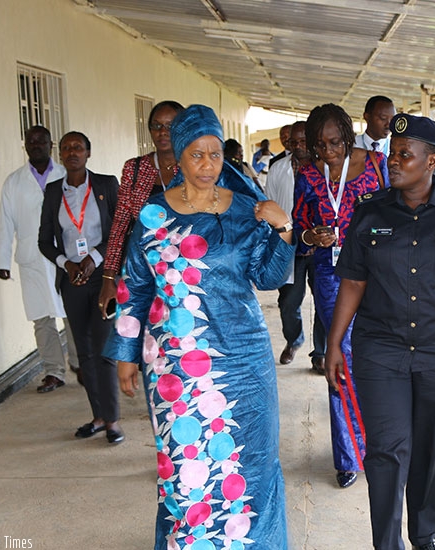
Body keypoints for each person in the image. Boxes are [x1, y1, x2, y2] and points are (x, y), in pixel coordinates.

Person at [105, 104, 293, 550]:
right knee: (187, 467)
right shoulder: (153, 215)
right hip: (178, 366)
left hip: (245, 361)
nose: (208, 165)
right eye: (197, 154)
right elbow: (135, 286)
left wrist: (283, 229)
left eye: (215, 154)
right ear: (179, 156)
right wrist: (125, 355)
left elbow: (267, 277)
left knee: (252, 464)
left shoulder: (246, 209)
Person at [325, 113, 435, 550]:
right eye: (393, 153)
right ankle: (387, 543)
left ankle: (424, 536)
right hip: (380, 348)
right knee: (386, 450)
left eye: (405, 155)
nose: (393, 161)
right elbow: (353, 281)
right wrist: (334, 343)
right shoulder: (370, 212)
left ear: (431, 161)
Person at [293, 103, 388, 488]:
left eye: (334, 143)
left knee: (379, 354)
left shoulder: (377, 165)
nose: (328, 152)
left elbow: (395, 214)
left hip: (378, 273)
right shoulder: (307, 175)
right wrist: (311, 235)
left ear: (348, 137)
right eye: (320, 145)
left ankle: (382, 444)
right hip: (331, 277)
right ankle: (349, 455)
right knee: (341, 354)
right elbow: (298, 228)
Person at [37, 131, 123, 443]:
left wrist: (94, 259)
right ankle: (98, 417)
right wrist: (67, 264)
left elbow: (120, 231)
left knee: (103, 349)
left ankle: (113, 421)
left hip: (104, 278)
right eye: (66, 148)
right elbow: (44, 241)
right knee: (84, 352)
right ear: (60, 154)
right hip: (72, 280)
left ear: (88, 153)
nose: (72, 152)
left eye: (78, 147)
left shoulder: (106, 185)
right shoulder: (52, 192)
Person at [0, 125, 78, 393]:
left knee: (72, 312)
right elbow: (5, 222)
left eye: (41, 141)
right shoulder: (14, 182)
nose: (36, 145)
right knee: (41, 317)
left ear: (50, 145)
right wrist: (2, 260)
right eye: (31, 141)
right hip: (31, 257)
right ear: (26, 146)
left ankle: (81, 364)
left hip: (65, 256)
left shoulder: (66, 175)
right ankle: (53, 371)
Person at [98, 100, 185, 318]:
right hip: (143, 268)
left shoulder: (194, 168)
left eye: (170, 126)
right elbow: (120, 225)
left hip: (185, 268)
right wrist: (109, 278)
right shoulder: (135, 168)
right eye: (156, 126)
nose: (162, 132)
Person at [267, 120, 326, 370]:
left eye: (304, 141)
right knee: (288, 303)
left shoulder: (325, 167)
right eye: (294, 142)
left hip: (321, 246)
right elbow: (269, 204)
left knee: (324, 299)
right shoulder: (277, 168)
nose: (299, 146)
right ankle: (294, 340)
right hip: (290, 246)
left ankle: (320, 352)